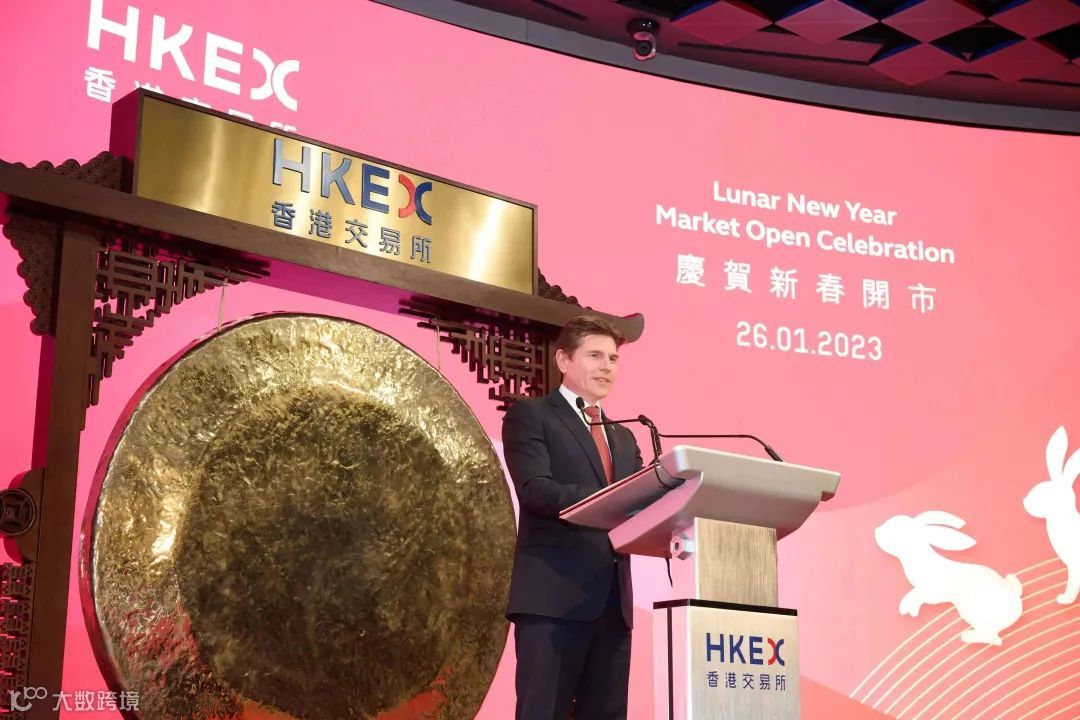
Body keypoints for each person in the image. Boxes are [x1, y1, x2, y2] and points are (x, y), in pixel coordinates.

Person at [502, 314, 644, 720]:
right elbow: (536, 490)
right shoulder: (532, 415)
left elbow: (640, 505)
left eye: (613, 359)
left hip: (613, 606)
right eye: (595, 356)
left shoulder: (624, 436)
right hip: (553, 601)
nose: (606, 367)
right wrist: (611, 499)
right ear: (563, 360)